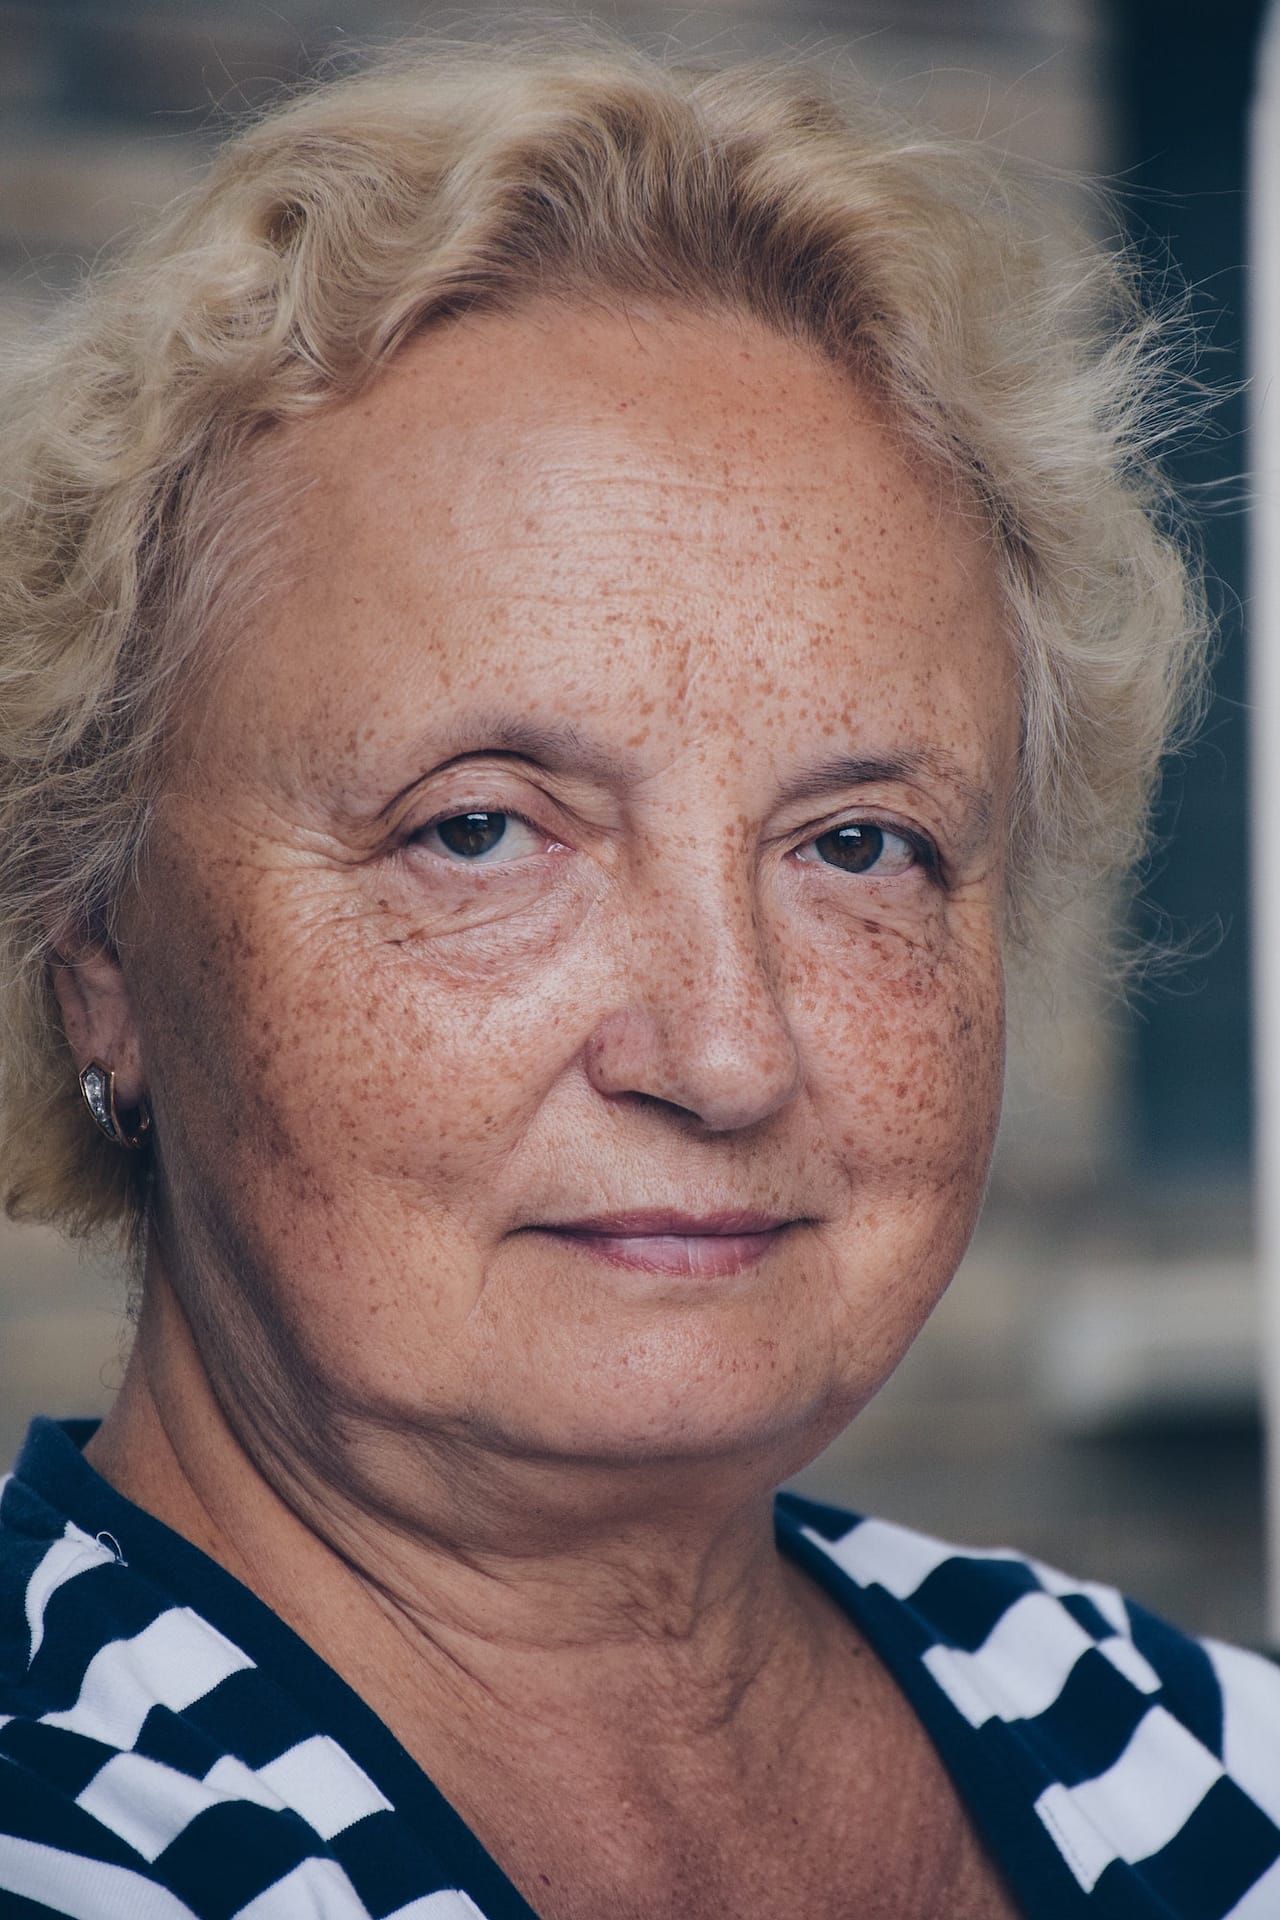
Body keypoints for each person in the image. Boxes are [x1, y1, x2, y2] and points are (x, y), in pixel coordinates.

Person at [0, 29, 1276, 1920]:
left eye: (860, 844)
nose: (727, 1048)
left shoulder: (1192, 1762)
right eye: (481, 830)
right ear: (99, 948)